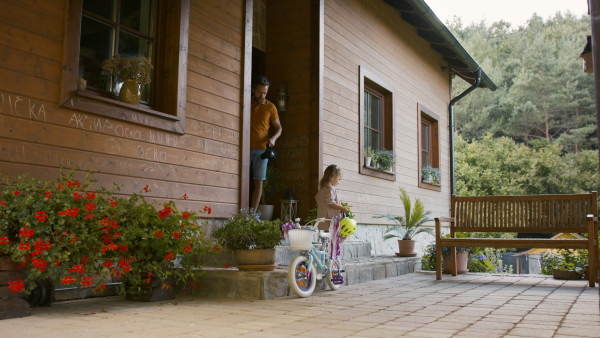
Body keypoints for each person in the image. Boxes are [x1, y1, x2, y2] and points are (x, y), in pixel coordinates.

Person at [250, 76, 282, 212]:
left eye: (264, 93)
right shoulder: (245, 101)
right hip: (243, 149)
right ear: (253, 90)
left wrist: (273, 138)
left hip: (262, 151)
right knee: (241, 180)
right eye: (259, 92)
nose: (262, 95)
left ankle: (251, 214)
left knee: (259, 182)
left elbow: (279, 128)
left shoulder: (271, 107)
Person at [315, 164, 349, 231]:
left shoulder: (322, 189)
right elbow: (330, 202)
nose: (339, 182)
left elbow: (318, 200)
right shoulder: (331, 189)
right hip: (331, 220)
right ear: (334, 176)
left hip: (323, 219)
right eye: (339, 179)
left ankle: (328, 242)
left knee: (327, 237)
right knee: (341, 236)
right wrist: (342, 208)